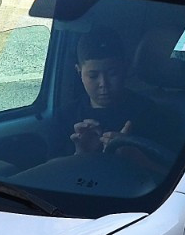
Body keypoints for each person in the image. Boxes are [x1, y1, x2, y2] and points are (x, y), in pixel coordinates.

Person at [67, 27, 178, 163]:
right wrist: (80, 153)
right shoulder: (66, 116)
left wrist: (134, 157)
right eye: (93, 76)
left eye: (112, 73)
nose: (103, 83)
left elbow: (171, 172)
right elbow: (52, 175)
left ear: (125, 68)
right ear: (79, 72)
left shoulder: (149, 113)